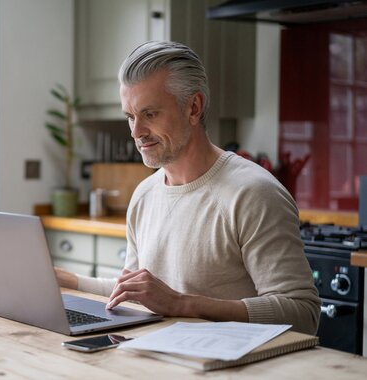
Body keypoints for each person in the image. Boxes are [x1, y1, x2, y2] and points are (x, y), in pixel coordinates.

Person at [55, 41, 321, 335]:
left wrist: (185, 304)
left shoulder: (253, 193)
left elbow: (303, 314)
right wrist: (65, 281)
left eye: (150, 114)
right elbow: (135, 291)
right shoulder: (144, 195)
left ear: (194, 108)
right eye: (130, 117)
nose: (136, 132)